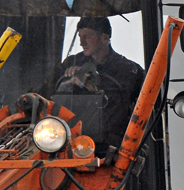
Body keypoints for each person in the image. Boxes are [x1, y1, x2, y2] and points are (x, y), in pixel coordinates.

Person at [52, 16, 144, 155]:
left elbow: (129, 110)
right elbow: (50, 98)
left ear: (105, 38)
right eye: (80, 37)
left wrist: (92, 89)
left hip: (113, 147)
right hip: (70, 143)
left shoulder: (129, 71)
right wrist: (67, 83)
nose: (82, 43)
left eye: (87, 37)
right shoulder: (70, 63)